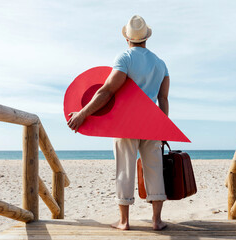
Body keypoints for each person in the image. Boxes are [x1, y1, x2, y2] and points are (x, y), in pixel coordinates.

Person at [67, 15, 170, 231]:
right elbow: (163, 99)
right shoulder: (160, 64)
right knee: (154, 170)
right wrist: (164, 128)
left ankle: (124, 221)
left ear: (127, 38)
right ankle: (157, 221)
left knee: (125, 169)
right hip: (152, 123)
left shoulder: (125, 58)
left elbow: (106, 91)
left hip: (126, 124)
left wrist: (83, 113)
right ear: (146, 38)